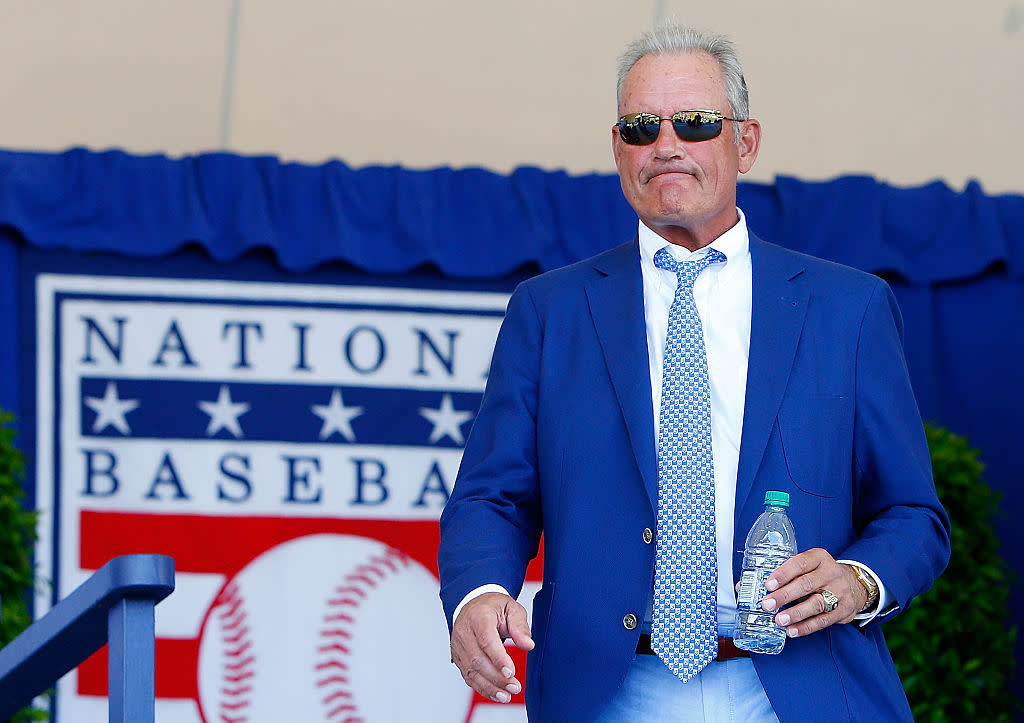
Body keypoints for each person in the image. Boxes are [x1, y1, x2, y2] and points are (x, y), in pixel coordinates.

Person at [438, 22, 950, 722]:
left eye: (698, 122)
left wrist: (859, 580)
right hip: (609, 693)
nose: (667, 146)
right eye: (642, 126)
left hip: (801, 686)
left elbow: (913, 515)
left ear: (746, 142)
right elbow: (492, 496)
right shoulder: (548, 311)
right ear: (618, 149)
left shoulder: (849, 308)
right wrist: (477, 593)